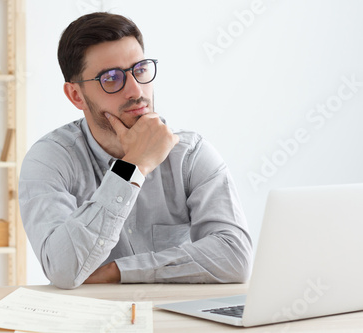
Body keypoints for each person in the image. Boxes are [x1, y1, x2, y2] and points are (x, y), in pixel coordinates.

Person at [19, 12, 253, 289]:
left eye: (140, 70)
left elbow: (235, 257)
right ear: (76, 95)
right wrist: (133, 166)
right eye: (111, 78)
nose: (135, 90)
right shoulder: (49, 160)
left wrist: (119, 271)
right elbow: (63, 269)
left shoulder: (190, 155)